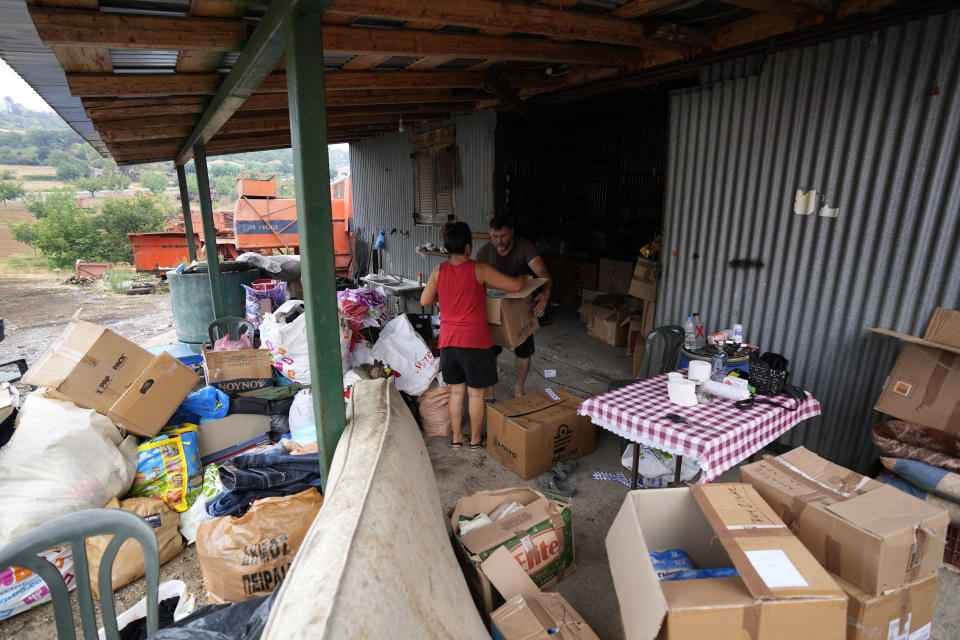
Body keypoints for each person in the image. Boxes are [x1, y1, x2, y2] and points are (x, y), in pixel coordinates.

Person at [420, 221, 530, 450]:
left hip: (449, 342)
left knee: (456, 392)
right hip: (475, 342)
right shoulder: (478, 269)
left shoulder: (439, 271)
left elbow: (425, 301)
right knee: (477, 396)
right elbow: (514, 286)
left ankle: (457, 438)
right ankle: (476, 440)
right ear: (469, 247)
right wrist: (525, 279)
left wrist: (446, 297)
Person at [475, 216, 552, 399]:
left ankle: (518, 390)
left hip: (520, 308)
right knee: (489, 352)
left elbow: (542, 272)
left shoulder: (525, 247)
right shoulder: (485, 252)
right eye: (494, 236)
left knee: (524, 351)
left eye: (502, 236)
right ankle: (490, 391)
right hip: (493, 308)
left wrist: (546, 294)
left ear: (512, 233)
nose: (498, 241)